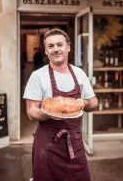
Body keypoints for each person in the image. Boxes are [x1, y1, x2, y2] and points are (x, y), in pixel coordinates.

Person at [23, 28, 98, 181]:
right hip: (47, 146)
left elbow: (94, 103)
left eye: (59, 44)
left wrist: (82, 103)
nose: (56, 49)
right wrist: (49, 113)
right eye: (51, 46)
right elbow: (31, 111)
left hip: (74, 143)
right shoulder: (38, 76)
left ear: (68, 47)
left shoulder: (79, 74)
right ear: (46, 51)